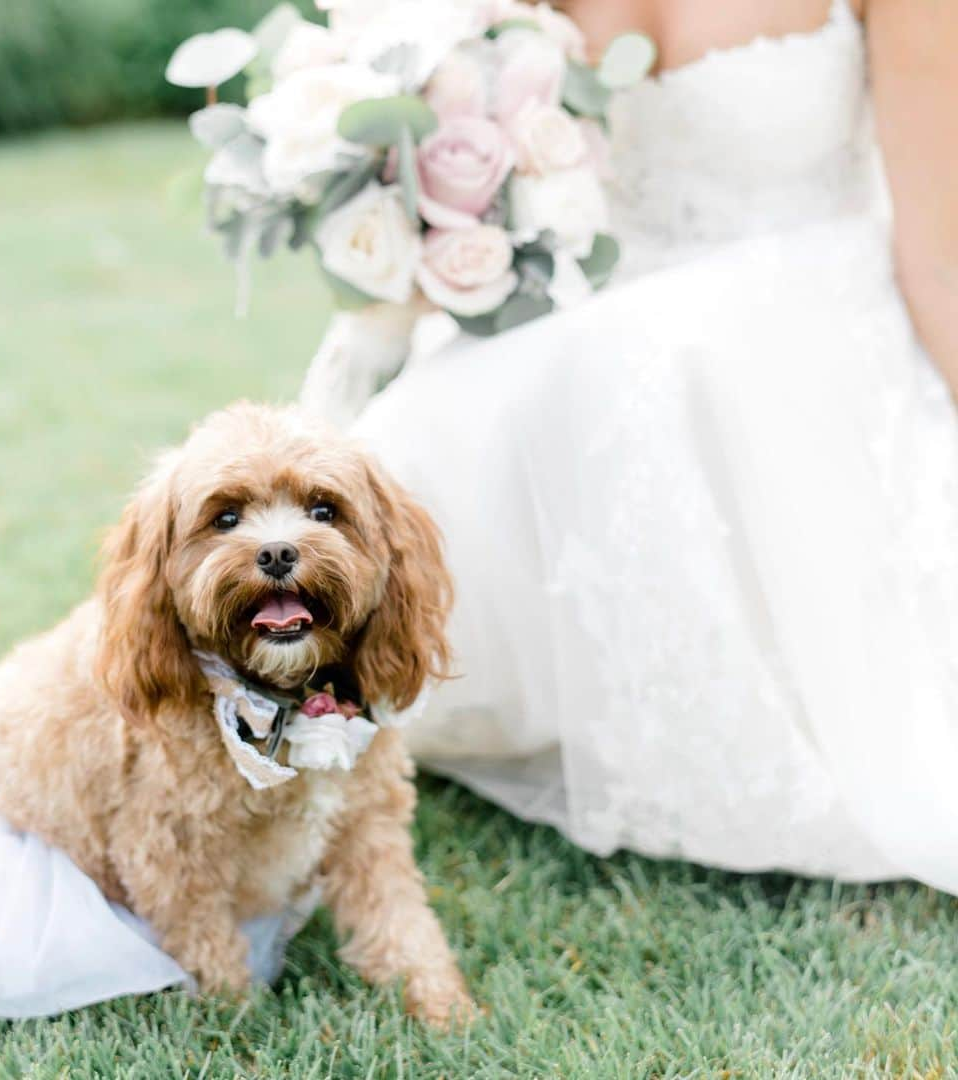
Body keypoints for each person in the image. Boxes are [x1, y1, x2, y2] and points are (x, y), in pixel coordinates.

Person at [348, 0, 958, 888]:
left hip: (801, 320)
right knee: (411, 439)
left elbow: (939, 247)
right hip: (586, 307)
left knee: (672, 354)